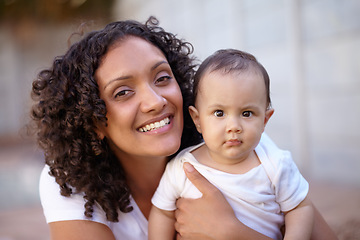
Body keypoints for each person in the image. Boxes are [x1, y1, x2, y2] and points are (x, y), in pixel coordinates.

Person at [30, 16, 337, 240]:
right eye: (123, 92)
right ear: (94, 120)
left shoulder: (240, 144)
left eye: (162, 77)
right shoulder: (68, 181)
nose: (155, 101)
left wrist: (234, 233)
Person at [149, 49, 312, 240]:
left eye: (247, 113)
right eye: (219, 113)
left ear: (265, 120)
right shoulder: (183, 167)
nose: (234, 127)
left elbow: (300, 208)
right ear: (197, 119)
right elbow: (162, 213)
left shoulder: (276, 164)